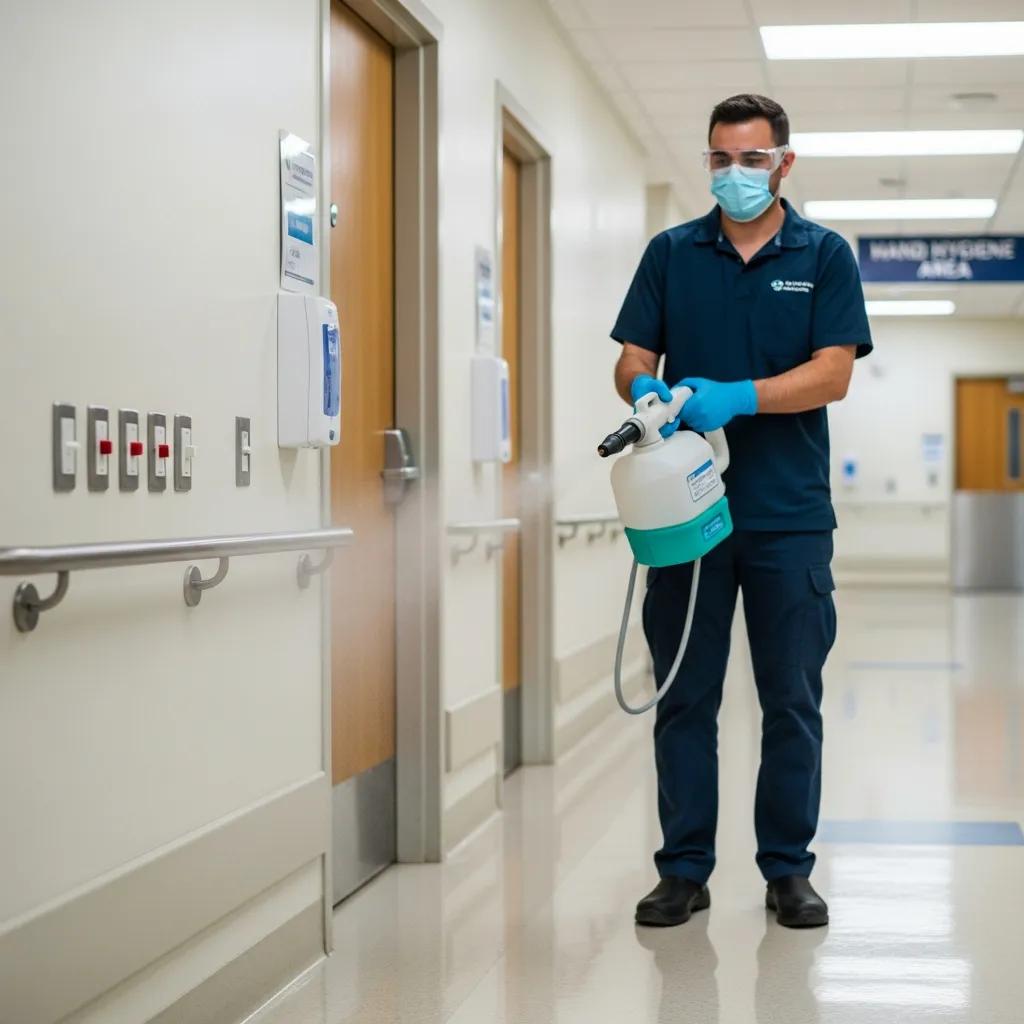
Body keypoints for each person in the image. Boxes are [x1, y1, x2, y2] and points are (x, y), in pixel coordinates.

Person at [611, 93, 872, 929]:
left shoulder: (823, 255)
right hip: (688, 510)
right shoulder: (673, 253)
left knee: (790, 700)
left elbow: (833, 373)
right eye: (720, 159)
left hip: (788, 514)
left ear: (784, 163)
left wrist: (744, 397)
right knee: (685, 695)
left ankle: (787, 870)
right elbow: (631, 358)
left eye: (752, 160)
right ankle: (684, 869)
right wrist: (645, 387)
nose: (735, 174)